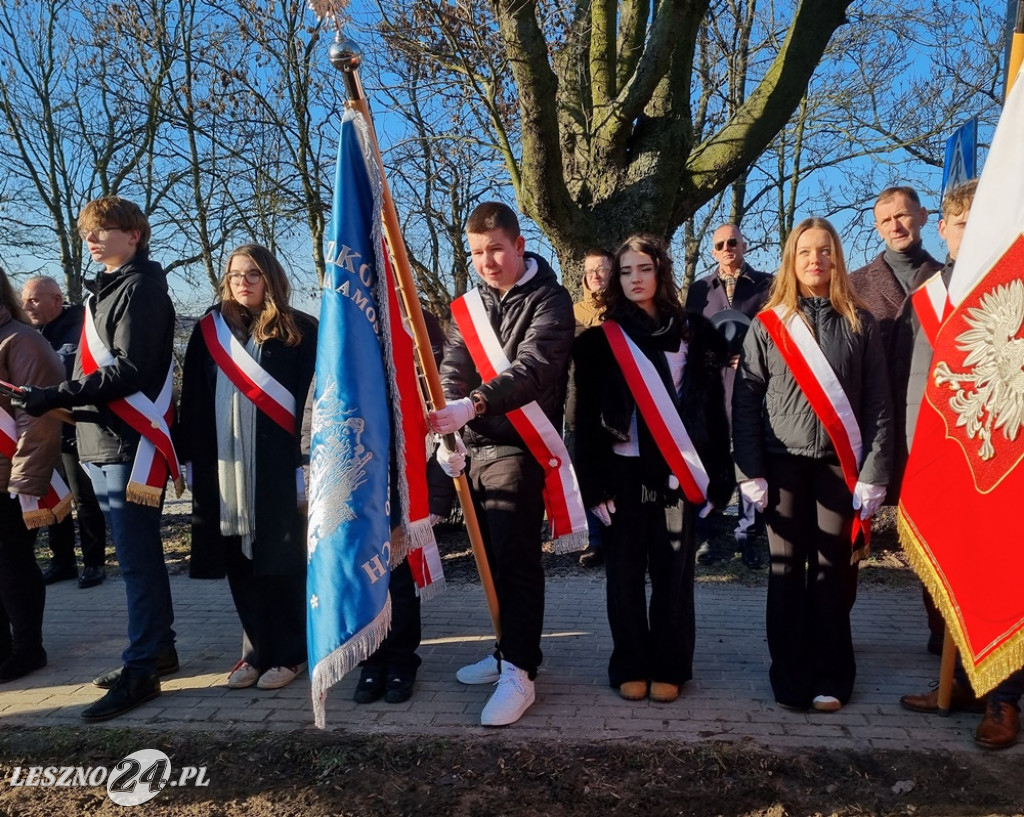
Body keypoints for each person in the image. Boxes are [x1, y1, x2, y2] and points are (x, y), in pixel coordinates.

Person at [13, 196, 180, 720]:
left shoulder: (141, 289)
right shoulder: (104, 292)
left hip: (129, 442)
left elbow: (129, 370)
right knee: (135, 558)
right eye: (88, 230)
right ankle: (158, 650)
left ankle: (142, 668)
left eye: (104, 229)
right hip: (100, 440)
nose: (92, 238)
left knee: (136, 559)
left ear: (134, 235)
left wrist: (54, 395)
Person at [732, 217, 892, 712]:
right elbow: (745, 401)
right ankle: (790, 675)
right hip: (781, 467)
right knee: (786, 573)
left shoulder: (860, 322)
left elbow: (879, 403)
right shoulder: (767, 324)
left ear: (836, 258)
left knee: (831, 573)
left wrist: (874, 472)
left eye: (824, 251)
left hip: (839, 469)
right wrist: (750, 470)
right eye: (804, 252)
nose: (815, 259)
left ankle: (832, 676)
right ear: (791, 260)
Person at [428, 201, 576, 726]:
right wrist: (449, 427)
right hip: (472, 444)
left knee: (516, 560)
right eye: (476, 253)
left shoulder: (552, 299)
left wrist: (473, 405)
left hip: (519, 445)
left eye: (495, 249)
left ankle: (521, 671)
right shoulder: (467, 306)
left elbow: (535, 367)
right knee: (488, 560)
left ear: (519, 245)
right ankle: (504, 648)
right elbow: (452, 366)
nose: (486, 261)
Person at [573, 235, 733, 702]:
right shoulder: (600, 342)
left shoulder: (695, 334)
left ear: (660, 271)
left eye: (643, 268)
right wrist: (593, 485)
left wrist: (719, 478)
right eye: (625, 272)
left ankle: (669, 665)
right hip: (622, 475)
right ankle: (630, 664)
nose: (635, 279)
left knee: (673, 574)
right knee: (623, 576)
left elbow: (713, 413)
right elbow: (583, 421)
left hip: (678, 473)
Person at [177, 244, 317, 691]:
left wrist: (305, 464)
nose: (243, 282)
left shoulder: (301, 329)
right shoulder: (210, 330)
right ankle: (256, 652)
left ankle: (291, 653)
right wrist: (189, 457)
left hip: (278, 465)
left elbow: (314, 401)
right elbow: (194, 397)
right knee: (239, 560)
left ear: (270, 277)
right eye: (235, 274)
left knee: (282, 560)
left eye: (253, 273)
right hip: (226, 465)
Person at [685, 224, 774, 567]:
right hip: (711, 387)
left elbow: (775, 332)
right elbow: (690, 337)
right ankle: (708, 532)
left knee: (750, 454)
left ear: (743, 244)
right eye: (720, 244)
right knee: (712, 455)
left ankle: (748, 535)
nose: (727, 248)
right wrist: (714, 358)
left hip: (753, 384)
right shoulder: (699, 290)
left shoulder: (766, 285)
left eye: (732, 242)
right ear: (713, 252)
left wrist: (751, 357)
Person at [21, 276, 108, 589]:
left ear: (56, 300)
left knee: (84, 499)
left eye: (33, 300)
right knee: (54, 498)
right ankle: (63, 561)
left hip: (75, 427)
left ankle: (94, 563)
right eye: (25, 300)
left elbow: (72, 369)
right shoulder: (30, 333)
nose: (27, 306)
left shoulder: (80, 327)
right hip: (43, 429)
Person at [0, 267, 65, 682]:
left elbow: (38, 419)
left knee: (12, 564)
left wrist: (24, 483)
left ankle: (27, 649)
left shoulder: (22, 341)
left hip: (10, 476)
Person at [571, 248, 614, 569]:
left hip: (619, 407)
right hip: (581, 406)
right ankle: (594, 541)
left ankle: (621, 537)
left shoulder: (626, 312)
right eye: (589, 271)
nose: (595, 275)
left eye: (601, 269)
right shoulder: (571, 314)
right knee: (585, 473)